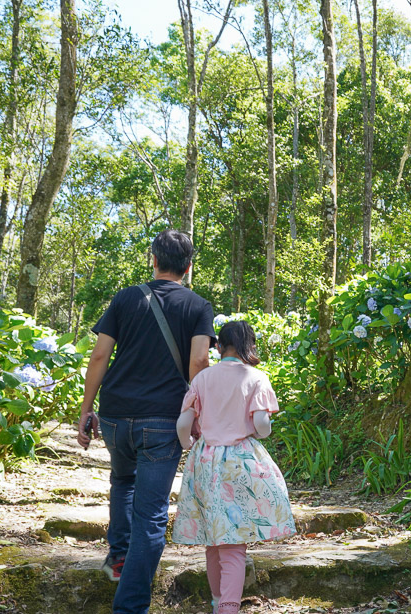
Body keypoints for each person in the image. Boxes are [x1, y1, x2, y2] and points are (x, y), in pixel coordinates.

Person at [77, 229, 216, 614]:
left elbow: (99, 357)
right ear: (188, 267)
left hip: (117, 415)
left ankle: (118, 558)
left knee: (122, 480)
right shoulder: (199, 306)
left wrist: (86, 410)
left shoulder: (125, 297)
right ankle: (130, 606)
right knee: (152, 513)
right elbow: (200, 362)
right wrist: (199, 414)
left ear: (153, 260)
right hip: (163, 419)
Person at [172, 320, 296, 614]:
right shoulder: (256, 377)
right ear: (249, 346)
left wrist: (189, 445)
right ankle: (227, 608)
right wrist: (260, 429)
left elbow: (183, 423)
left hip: (205, 462)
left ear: (218, 346)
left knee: (214, 541)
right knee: (234, 543)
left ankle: (218, 603)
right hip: (239, 463)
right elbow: (261, 426)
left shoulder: (202, 379)